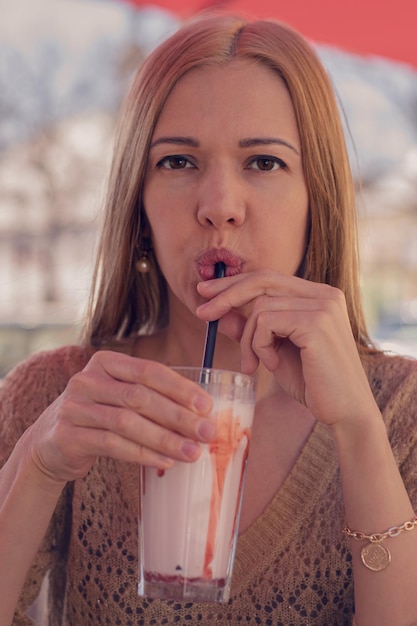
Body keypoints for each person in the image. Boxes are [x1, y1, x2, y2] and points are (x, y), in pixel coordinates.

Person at [1, 11, 417, 626]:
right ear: (137, 206)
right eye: (178, 162)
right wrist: (38, 462)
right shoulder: (51, 397)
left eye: (264, 163)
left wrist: (359, 432)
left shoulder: (400, 412)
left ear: (317, 200)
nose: (219, 206)